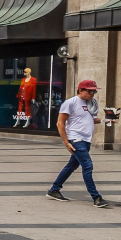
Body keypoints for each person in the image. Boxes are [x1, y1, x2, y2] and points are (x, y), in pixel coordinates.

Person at [47, 79, 109, 208]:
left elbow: (91, 120)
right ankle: (96, 197)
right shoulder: (70, 103)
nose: (92, 94)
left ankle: (54, 190)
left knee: (71, 166)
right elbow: (60, 123)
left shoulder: (90, 103)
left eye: (94, 92)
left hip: (86, 139)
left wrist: (105, 120)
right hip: (76, 139)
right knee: (88, 166)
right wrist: (66, 142)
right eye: (90, 91)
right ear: (80, 90)